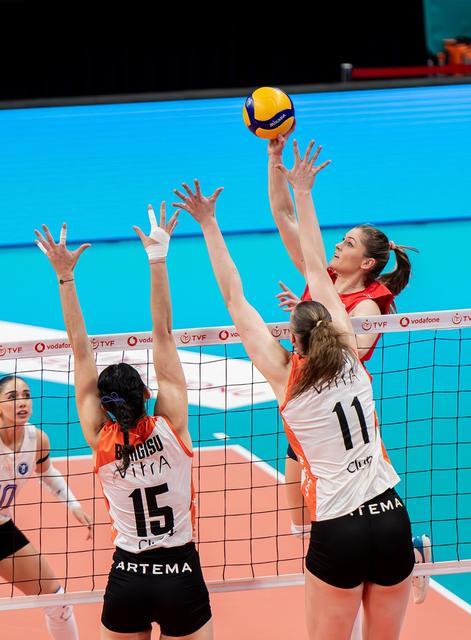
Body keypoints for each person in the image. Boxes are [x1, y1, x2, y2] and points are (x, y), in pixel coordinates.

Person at [173, 145, 414, 639]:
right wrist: (303, 191)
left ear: (294, 338)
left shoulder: (286, 376)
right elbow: (318, 273)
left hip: (339, 524)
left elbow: (235, 296)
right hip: (392, 515)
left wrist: (210, 225)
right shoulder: (350, 355)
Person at [35, 205, 212, 640]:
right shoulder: (171, 424)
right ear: (147, 393)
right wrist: (157, 257)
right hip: (180, 574)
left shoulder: (99, 437)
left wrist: (65, 277)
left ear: (105, 405)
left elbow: (80, 351)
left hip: (128, 577)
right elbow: (163, 332)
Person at [268, 132, 430, 608]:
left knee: (335, 519)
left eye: (348, 243)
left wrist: (310, 327)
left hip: (344, 428)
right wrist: (274, 157)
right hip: (305, 418)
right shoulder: (323, 280)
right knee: (298, 520)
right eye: (340, 240)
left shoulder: (367, 307)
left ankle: (406, 553)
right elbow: (283, 216)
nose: (338, 246)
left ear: (368, 262)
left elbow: (346, 355)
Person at [0, 374, 92, 640]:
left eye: (26, 396)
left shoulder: (37, 440)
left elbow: (47, 472)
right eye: (12, 397)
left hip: (2, 528)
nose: (22, 402)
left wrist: (73, 505)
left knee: (56, 601)